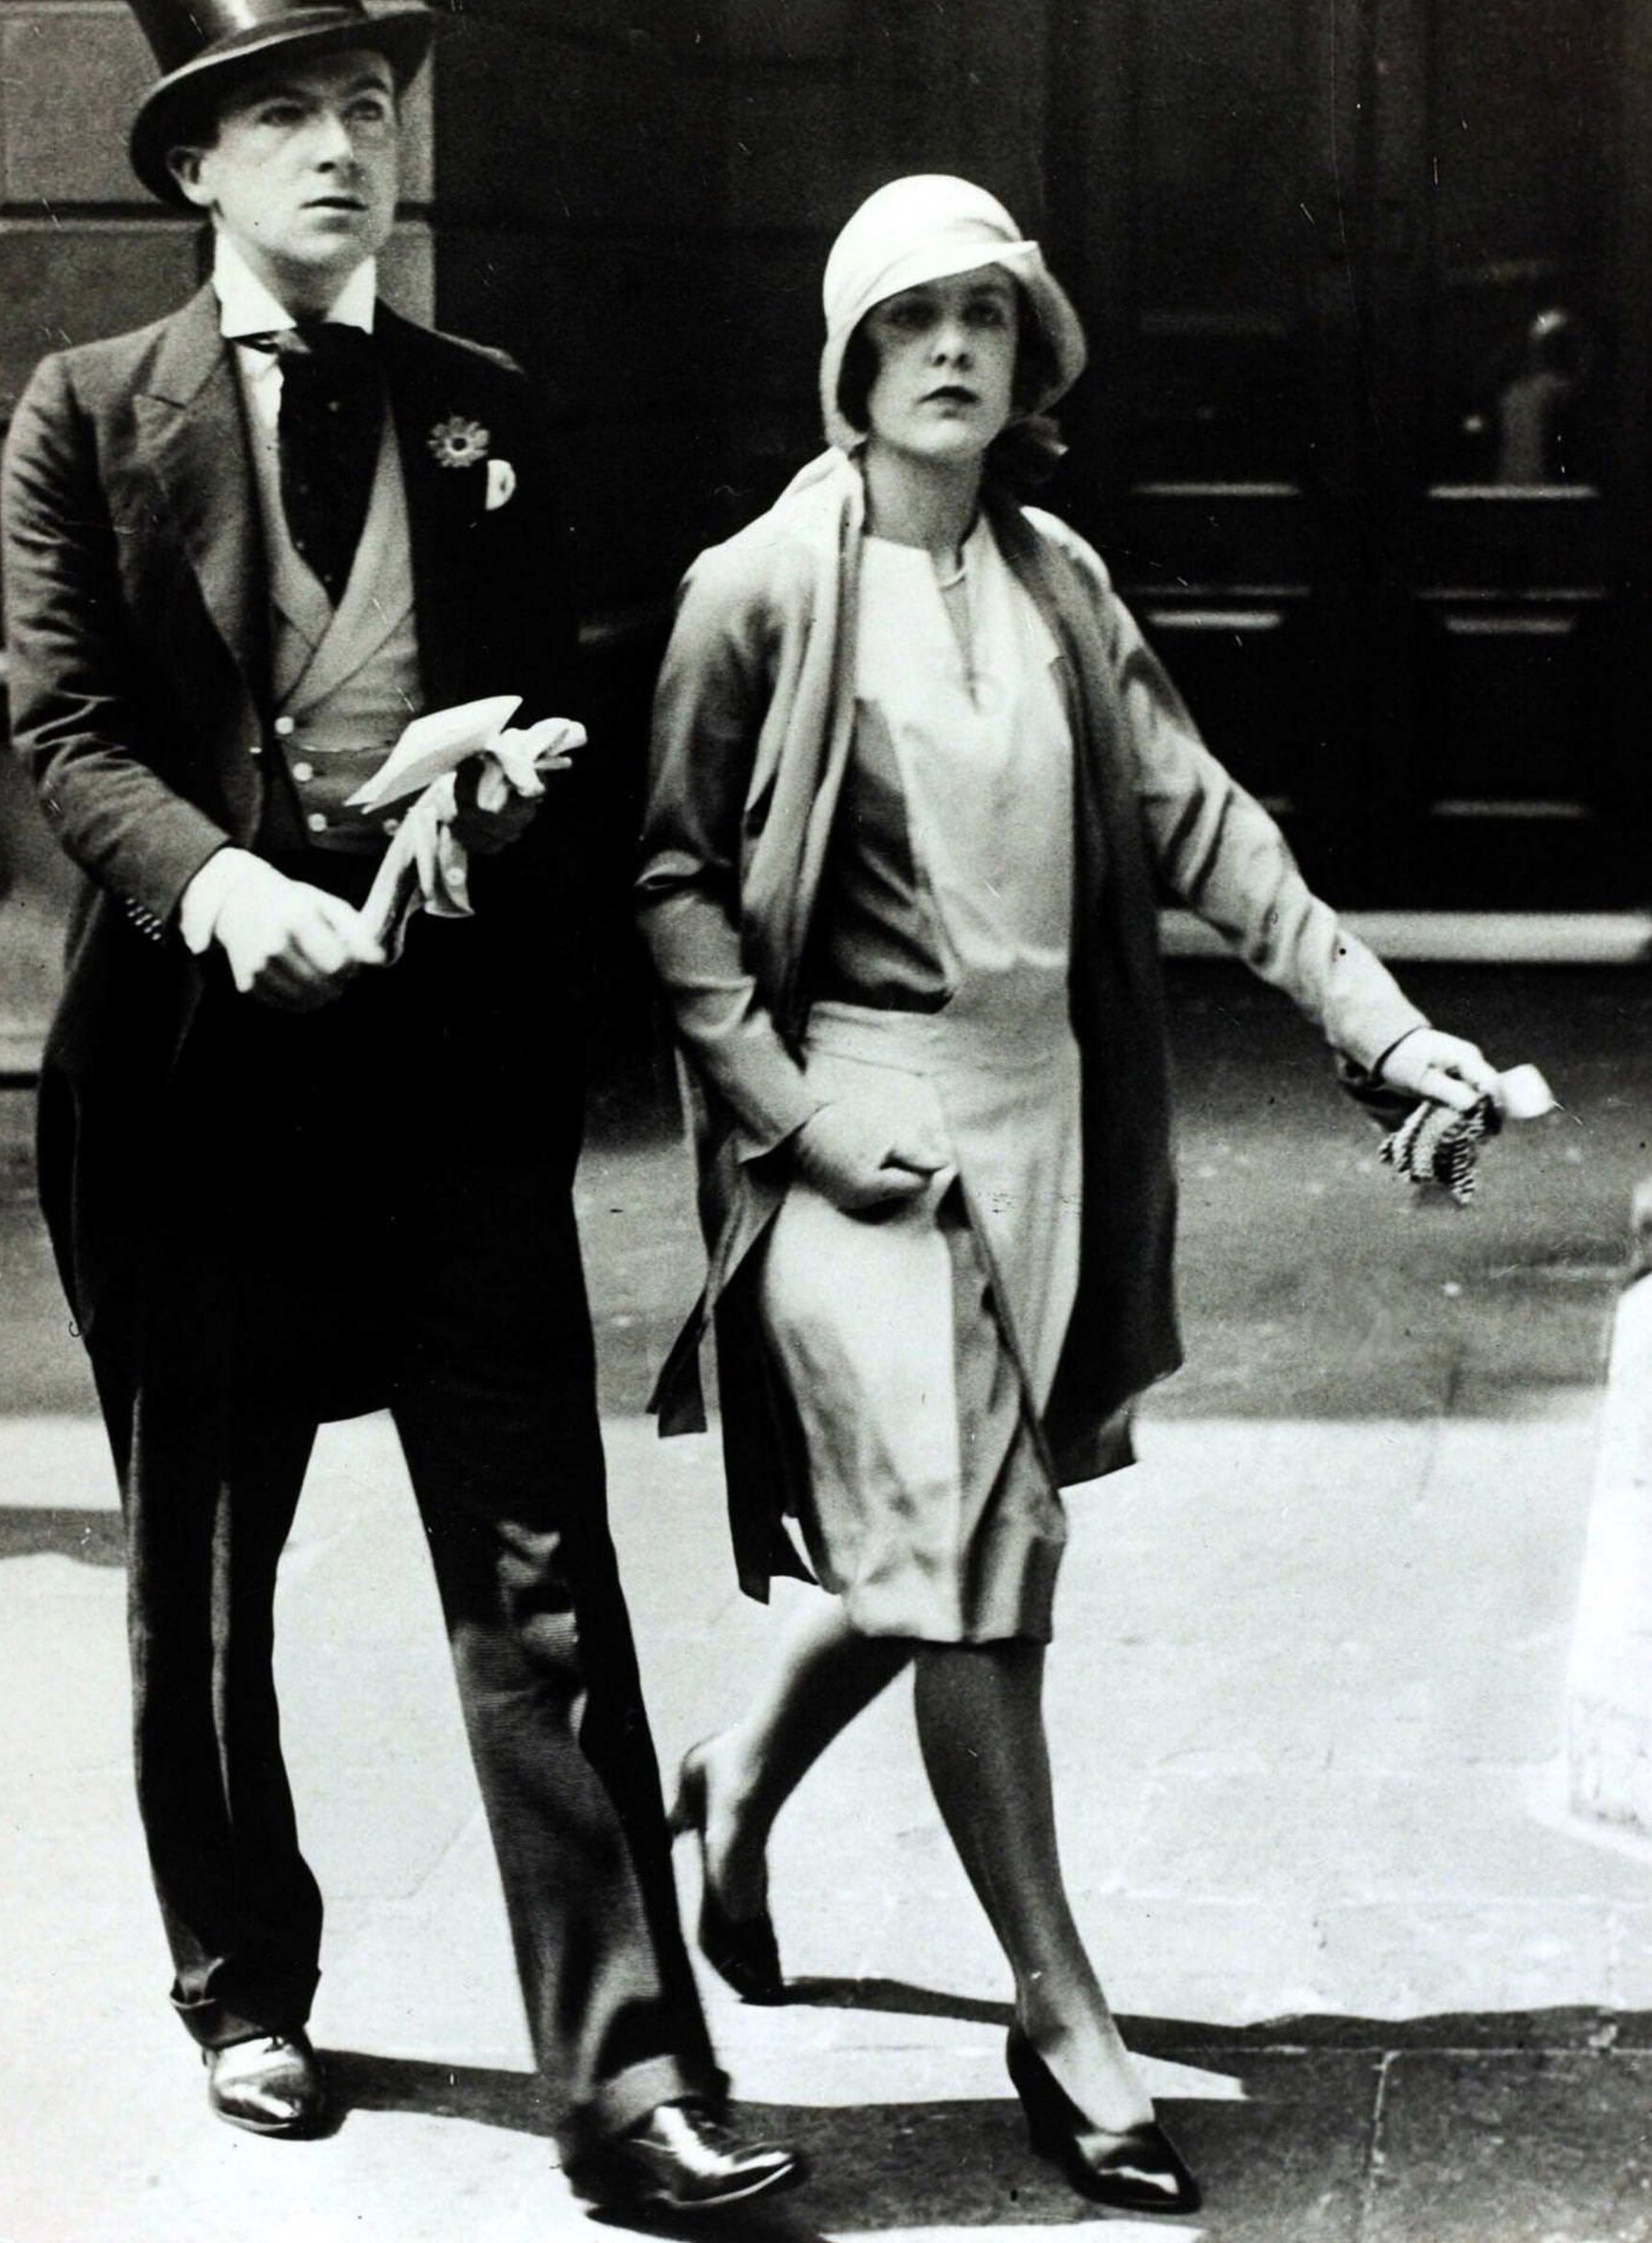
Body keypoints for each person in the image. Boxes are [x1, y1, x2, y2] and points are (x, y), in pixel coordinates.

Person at [1, 0, 801, 2216]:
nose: (345, 147)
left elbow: (547, 719)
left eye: (364, 106)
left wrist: (477, 789)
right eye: (289, 114)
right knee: (206, 1578)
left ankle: (634, 2077)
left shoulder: (488, 419)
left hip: (441, 1086)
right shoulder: (82, 414)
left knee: (541, 1571)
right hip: (183, 1096)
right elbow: (65, 734)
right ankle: (242, 1974)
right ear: (198, 167)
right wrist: (228, 877)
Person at [635, 174, 1506, 2216]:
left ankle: (735, 1772)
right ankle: (1064, 2010)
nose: (954, 349)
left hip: (1042, 1123)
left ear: (1030, 361)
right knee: (987, 1561)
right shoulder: (754, 586)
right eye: (913, 318)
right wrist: (787, 1114)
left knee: (956, 1532)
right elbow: (671, 883)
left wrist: (1383, 1030)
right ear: (849, 359)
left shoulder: (1054, 578)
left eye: (990, 319)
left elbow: (1209, 825)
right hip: (860, 1129)